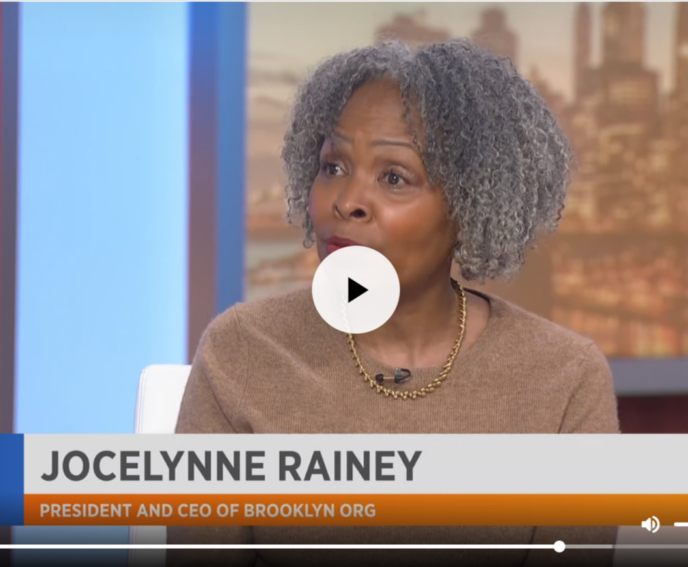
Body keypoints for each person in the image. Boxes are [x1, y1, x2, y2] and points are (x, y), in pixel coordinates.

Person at [169, 39, 619, 567]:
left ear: (470, 206)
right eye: (333, 166)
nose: (347, 200)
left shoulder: (564, 378)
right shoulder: (241, 353)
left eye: (393, 177)